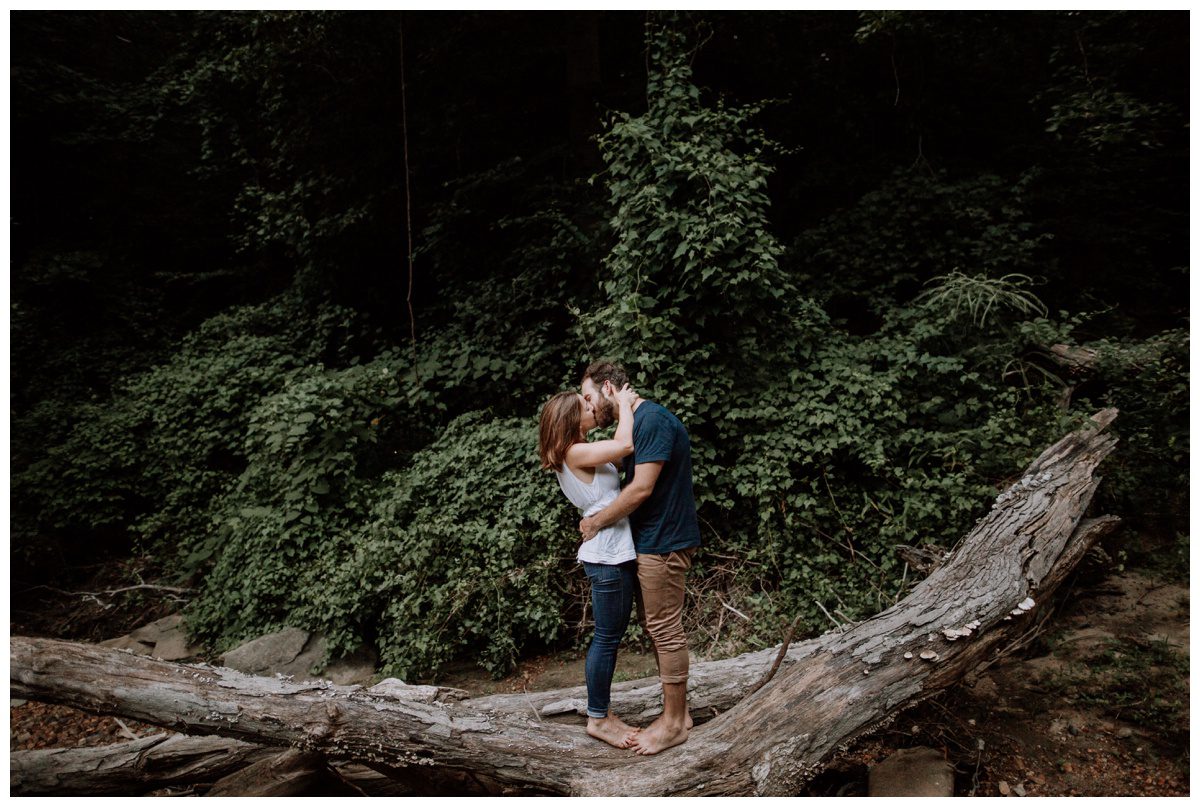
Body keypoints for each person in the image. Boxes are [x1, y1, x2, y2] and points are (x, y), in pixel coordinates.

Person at [578, 360, 701, 755]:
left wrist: (596, 522)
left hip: (663, 542)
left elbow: (640, 489)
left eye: (590, 397)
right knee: (658, 627)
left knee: (664, 628)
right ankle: (677, 715)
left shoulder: (652, 421)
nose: (589, 407)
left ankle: (673, 724)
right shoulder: (639, 420)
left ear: (609, 388)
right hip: (652, 541)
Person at [537, 381, 642, 749]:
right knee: (607, 638)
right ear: (572, 421)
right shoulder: (575, 452)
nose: (591, 408)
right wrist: (626, 404)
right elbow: (625, 445)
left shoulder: (580, 451)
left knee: (609, 637)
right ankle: (598, 718)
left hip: (611, 551)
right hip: (607, 556)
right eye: (584, 407)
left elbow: (617, 453)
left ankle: (603, 713)